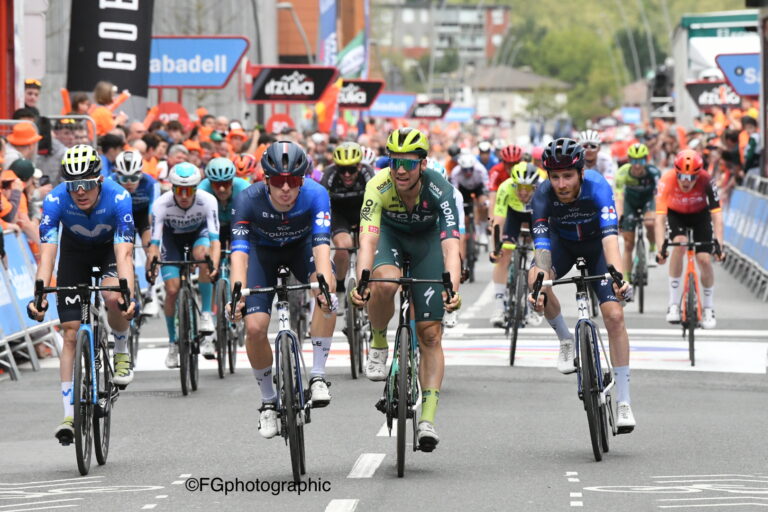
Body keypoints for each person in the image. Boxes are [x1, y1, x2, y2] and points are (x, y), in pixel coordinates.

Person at [349, 127, 462, 451]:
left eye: (409, 164)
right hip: (390, 238)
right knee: (383, 283)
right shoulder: (378, 185)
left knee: (430, 334)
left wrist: (451, 287)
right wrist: (363, 281)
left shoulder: (441, 189)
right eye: (394, 161)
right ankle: (380, 341)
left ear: (422, 165)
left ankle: (427, 419)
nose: (400, 170)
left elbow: (452, 246)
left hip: (426, 244)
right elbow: (367, 240)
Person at [26, 144, 137, 444]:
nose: (80, 192)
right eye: (74, 185)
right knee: (71, 333)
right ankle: (68, 415)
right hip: (74, 253)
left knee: (114, 297)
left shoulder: (119, 197)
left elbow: (124, 254)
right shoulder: (55, 200)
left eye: (87, 184)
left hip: (108, 251)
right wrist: (40, 293)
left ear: (99, 180)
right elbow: (47, 254)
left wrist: (129, 295)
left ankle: (123, 348)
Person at [228, 141, 337, 440]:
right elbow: (239, 252)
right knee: (254, 327)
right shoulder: (247, 200)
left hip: (302, 248)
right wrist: (237, 294)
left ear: (304, 180)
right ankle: (267, 401)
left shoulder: (317, 195)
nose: (286, 188)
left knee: (326, 290)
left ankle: (317, 375)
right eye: (278, 181)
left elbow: (322, 244)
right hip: (261, 254)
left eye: (293, 181)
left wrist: (324, 286)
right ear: (266, 180)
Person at [528, 138, 636, 432]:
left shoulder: (598, 187)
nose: (561, 184)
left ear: (580, 173)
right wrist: (541, 283)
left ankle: (623, 401)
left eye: (568, 176)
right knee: (535, 277)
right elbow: (542, 249)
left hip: (597, 247)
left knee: (614, 316)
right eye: (555, 177)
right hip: (561, 245)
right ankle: (565, 340)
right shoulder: (541, 195)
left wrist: (618, 278)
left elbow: (610, 238)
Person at [146, 162, 221, 365]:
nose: (185, 196)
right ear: (172, 188)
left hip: (199, 235)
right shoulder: (161, 204)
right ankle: (173, 344)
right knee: (172, 290)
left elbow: (215, 241)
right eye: (180, 190)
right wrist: (151, 265)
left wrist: (213, 265)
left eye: (189, 190)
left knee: (204, 255)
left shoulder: (208, 201)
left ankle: (206, 314)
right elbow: (154, 244)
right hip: (172, 241)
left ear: (196, 189)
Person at [655, 149, 724, 329]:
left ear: (698, 174)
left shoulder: (707, 180)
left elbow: (717, 216)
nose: (686, 182)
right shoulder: (667, 180)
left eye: (692, 177)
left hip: (700, 216)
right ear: (676, 172)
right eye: (682, 177)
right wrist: (660, 248)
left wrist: (719, 244)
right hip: (676, 214)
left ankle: (708, 308)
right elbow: (659, 218)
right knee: (679, 245)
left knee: (704, 259)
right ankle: (673, 304)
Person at [320, 141, 375, 312]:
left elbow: (377, 198)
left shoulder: (367, 173)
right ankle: (342, 288)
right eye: (341, 169)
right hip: (339, 215)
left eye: (351, 169)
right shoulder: (329, 175)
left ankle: (366, 286)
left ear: (359, 166)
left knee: (369, 247)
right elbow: (320, 200)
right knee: (343, 249)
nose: (346, 174)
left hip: (363, 213)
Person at [489, 162, 544, 327]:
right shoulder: (505, 188)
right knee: (503, 255)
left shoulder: (544, 190)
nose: (522, 192)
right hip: (513, 215)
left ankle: (534, 303)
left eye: (527, 188)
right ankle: (498, 306)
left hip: (535, 215)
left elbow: (550, 221)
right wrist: (496, 249)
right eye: (519, 187)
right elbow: (498, 222)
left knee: (542, 257)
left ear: (535, 186)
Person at [614, 143, 661, 280]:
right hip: (630, 202)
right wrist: (620, 217)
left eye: (640, 160)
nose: (637, 165)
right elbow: (619, 197)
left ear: (646, 160)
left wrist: (660, 216)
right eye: (634, 160)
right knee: (628, 244)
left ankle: (652, 247)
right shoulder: (622, 173)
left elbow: (659, 195)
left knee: (650, 223)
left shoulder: (653, 172)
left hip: (648, 200)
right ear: (629, 160)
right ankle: (627, 279)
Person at [451, 152, 490, 251]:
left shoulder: (480, 169)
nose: (468, 172)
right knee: (465, 216)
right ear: (460, 167)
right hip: (464, 190)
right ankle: (468, 232)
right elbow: (454, 191)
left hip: (478, 187)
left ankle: (482, 232)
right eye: (465, 170)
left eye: (470, 169)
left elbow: (486, 185)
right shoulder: (455, 172)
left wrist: (486, 200)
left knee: (484, 205)